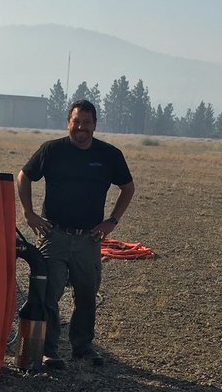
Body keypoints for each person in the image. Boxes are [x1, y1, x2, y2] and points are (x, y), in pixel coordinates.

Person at [17, 100, 135, 369]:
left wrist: (112, 222)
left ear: (95, 125)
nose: (81, 127)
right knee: (49, 293)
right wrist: (29, 213)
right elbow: (24, 176)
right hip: (54, 235)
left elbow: (128, 188)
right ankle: (49, 350)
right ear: (68, 123)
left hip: (88, 239)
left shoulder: (109, 155)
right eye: (76, 122)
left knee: (86, 295)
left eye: (87, 122)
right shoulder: (52, 150)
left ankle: (82, 348)